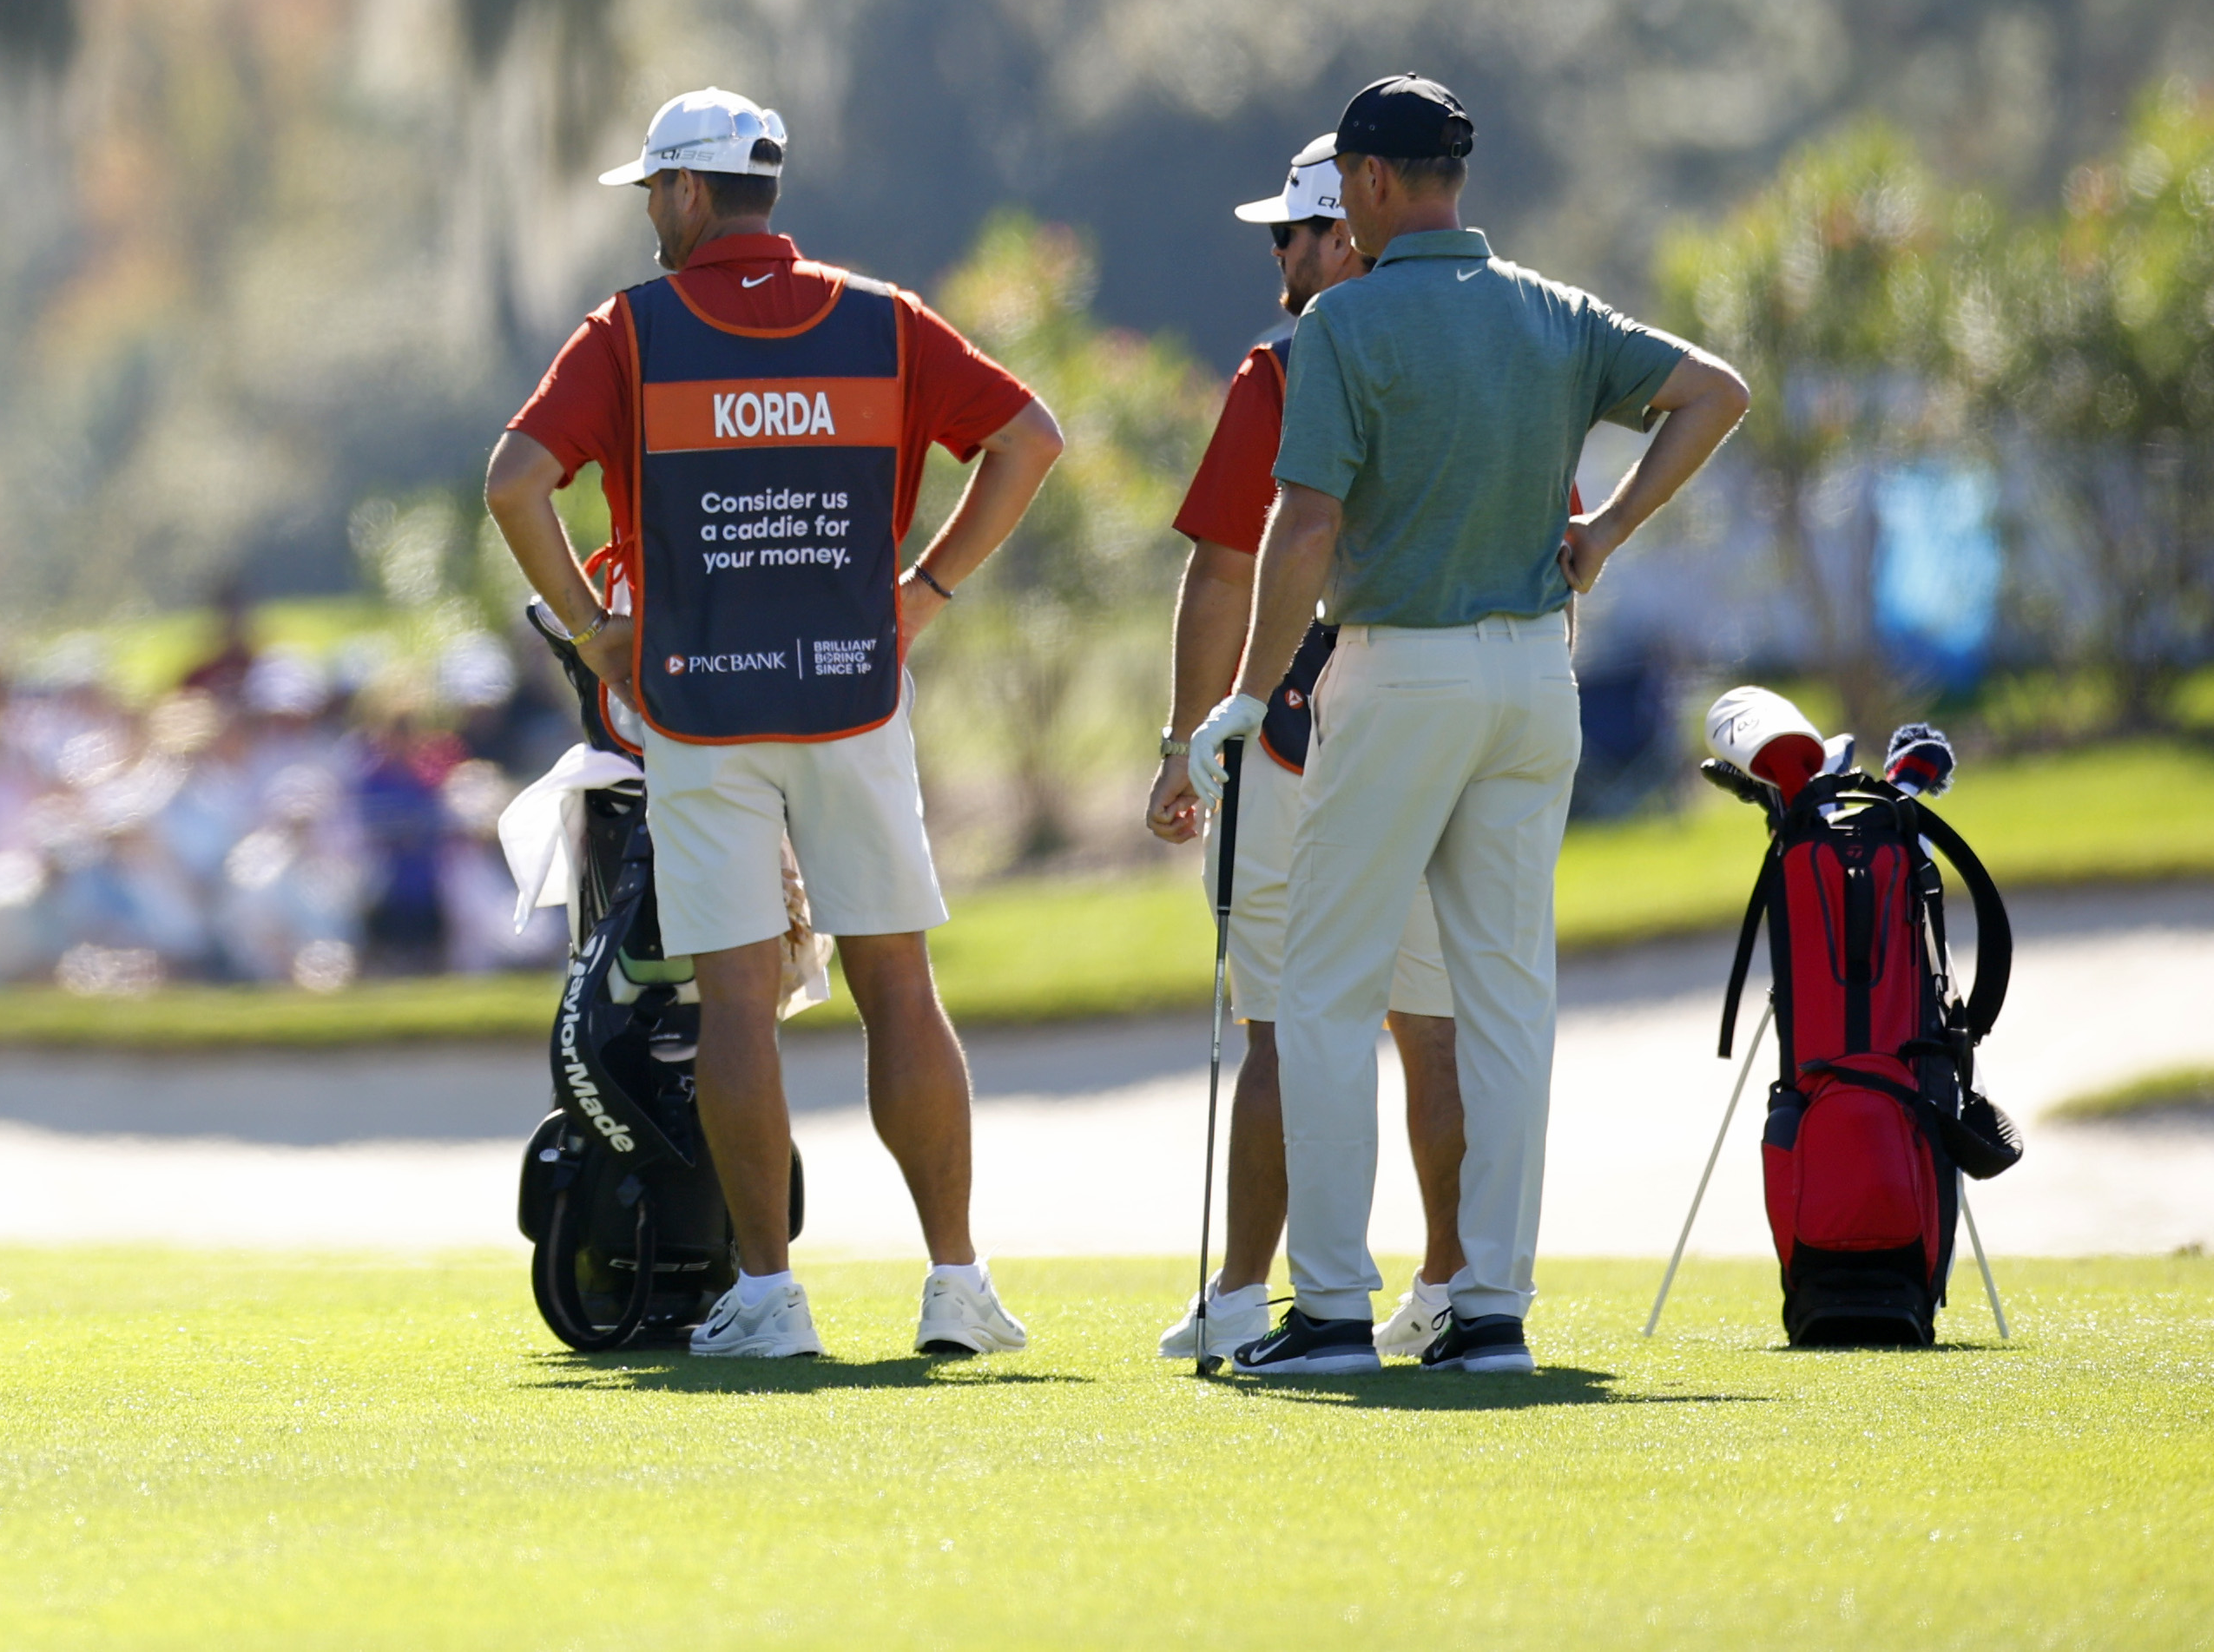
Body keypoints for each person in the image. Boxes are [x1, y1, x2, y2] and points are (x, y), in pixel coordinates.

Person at [485, 88, 1067, 1364]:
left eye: (653, 190)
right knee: (898, 984)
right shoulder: (881, 320)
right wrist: (927, 590)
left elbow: (514, 478)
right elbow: (1028, 438)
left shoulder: (632, 332)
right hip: (855, 688)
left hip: (702, 701)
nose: (649, 210)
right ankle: (957, 1280)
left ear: (692, 194)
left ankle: (770, 1292)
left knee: (740, 998)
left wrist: (594, 630)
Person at [1183, 76, 1749, 1375]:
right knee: (1505, 999)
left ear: (1372, 182)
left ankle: (1327, 1310)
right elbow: (1714, 389)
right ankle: (1488, 1306)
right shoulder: (1549, 309)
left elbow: (1307, 523)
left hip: (1399, 676)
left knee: (1323, 987)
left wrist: (1243, 693)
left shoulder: (1343, 322)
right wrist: (1601, 532)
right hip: (1534, 681)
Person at [1147, 135, 1472, 1363]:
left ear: (1342, 233)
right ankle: (1452, 1284)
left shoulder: (1281, 369)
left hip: (1291, 739)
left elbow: (1225, 569)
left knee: (1283, 1023)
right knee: (1430, 1022)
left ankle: (1244, 1289)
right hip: (1444, 724)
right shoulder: (1480, 348)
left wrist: (1185, 740)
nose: (1276, 255)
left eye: (1287, 232)